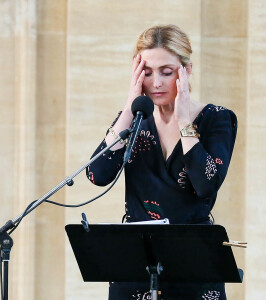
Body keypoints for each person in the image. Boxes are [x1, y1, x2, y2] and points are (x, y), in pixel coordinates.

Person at [87, 24, 237, 300]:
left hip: (194, 263)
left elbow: (206, 185)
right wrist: (129, 107)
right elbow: (97, 174)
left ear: (186, 70)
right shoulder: (135, 121)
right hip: (137, 262)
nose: (156, 83)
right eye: (147, 72)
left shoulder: (217, 118)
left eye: (166, 72)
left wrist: (183, 121)